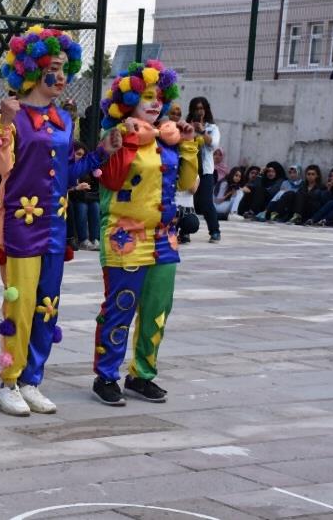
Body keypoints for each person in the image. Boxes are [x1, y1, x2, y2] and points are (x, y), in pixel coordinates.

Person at [0, 25, 119, 416]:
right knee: (20, 303)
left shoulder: (63, 118)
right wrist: (5, 125)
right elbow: (2, 166)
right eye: (54, 68)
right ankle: (8, 382)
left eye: (65, 69)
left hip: (55, 228)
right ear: (32, 69)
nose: (62, 77)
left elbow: (66, 173)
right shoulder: (14, 113)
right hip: (21, 225)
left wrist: (101, 153)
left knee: (47, 305)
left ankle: (32, 379)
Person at [93, 58, 198, 406]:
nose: (154, 103)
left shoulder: (168, 142)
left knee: (157, 310)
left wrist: (187, 144)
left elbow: (188, 185)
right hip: (125, 237)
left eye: (158, 97)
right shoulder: (117, 136)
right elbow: (109, 180)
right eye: (147, 97)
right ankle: (106, 375)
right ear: (130, 101)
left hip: (165, 239)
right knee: (121, 307)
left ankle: (142, 374)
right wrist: (128, 141)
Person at [187, 97, 221, 243]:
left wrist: (202, 131)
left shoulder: (212, 128)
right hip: (189, 169)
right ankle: (185, 231)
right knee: (188, 202)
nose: (199, 111)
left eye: (201, 108)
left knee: (206, 202)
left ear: (206, 110)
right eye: (196, 109)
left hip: (205, 170)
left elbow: (214, 144)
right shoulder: (186, 126)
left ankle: (214, 231)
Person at [67, 141, 101, 251]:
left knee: (95, 206)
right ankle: (83, 240)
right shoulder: (66, 166)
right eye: (77, 154)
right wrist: (76, 188)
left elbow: (94, 186)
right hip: (73, 197)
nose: (79, 157)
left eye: (82, 155)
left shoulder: (85, 167)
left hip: (85, 197)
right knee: (82, 207)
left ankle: (95, 239)